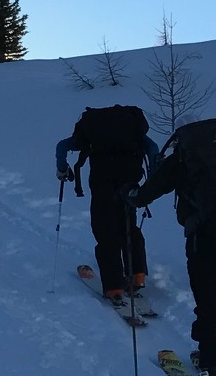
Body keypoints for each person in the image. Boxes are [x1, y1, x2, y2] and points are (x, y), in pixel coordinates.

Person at [124, 115, 216, 376]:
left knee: (207, 304)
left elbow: (145, 195)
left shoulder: (183, 160)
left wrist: (130, 194)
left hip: (204, 236)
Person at [55, 105, 160, 301]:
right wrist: (153, 178)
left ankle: (114, 287)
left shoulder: (93, 132)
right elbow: (152, 148)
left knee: (105, 231)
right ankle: (137, 275)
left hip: (102, 186)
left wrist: (62, 169)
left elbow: (62, 146)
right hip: (130, 186)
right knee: (129, 226)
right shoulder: (132, 132)